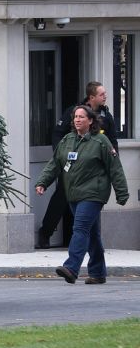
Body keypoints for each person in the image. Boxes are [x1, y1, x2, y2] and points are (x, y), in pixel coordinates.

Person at [35, 104, 129, 285]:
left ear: (91, 120)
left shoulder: (101, 141)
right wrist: (42, 183)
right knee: (92, 234)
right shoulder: (67, 141)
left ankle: (71, 267)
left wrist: (121, 193)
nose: (77, 120)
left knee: (80, 228)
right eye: (75, 117)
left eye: (81, 117)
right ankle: (98, 272)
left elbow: (115, 168)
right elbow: (54, 164)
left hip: (94, 193)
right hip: (74, 194)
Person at [38, 81, 119, 248]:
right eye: (102, 94)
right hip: (71, 166)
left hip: (93, 170)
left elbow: (112, 142)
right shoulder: (75, 112)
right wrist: (62, 156)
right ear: (92, 97)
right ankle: (45, 233)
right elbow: (58, 135)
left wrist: (113, 159)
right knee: (61, 199)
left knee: (90, 202)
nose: (106, 96)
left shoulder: (106, 116)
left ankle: (83, 242)